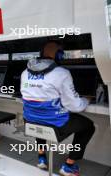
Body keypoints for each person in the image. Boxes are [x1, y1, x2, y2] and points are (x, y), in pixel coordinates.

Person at [20, 40, 95, 176]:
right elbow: (75, 106)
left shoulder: (25, 72)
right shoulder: (62, 73)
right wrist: (86, 100)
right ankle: (68, 166)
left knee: (38, 118)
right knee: (88, 126)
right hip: (56, 126)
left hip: (30, 122)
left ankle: (42, 158)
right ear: (59, 55)